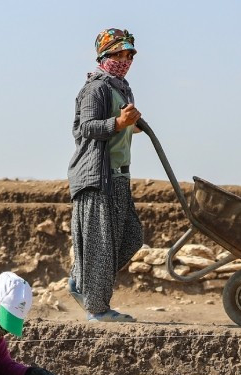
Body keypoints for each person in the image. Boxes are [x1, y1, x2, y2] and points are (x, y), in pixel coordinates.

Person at [67, 27, 144, 323]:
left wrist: (130, 124)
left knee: (131, 237)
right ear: (103, 56)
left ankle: (81, 282)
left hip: (119, 177)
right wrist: (118, 122)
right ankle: (98, 310)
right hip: (98, 178)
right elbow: (86, 128)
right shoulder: (95, 88)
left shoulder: (122, 87)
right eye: (117, 54)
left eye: (128, 55)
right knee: (101, 245)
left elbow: (120, 123)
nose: (123, 60)